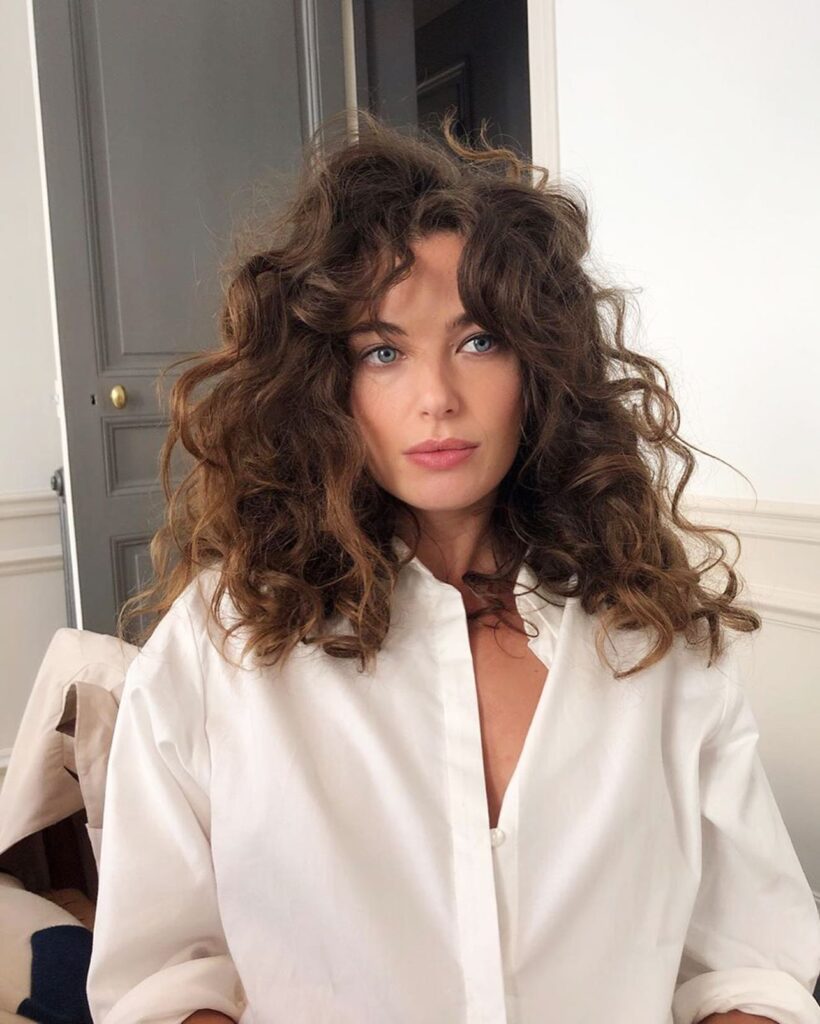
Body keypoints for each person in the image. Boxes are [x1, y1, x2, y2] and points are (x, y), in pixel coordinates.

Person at [85, 108, 820, 1024]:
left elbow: (748, 963)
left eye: (479, 341)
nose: (437, 398)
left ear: (541, 367)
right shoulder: (222, 645)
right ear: (327, 384)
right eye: (383, 352)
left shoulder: (655, 640)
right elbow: (163, 978)